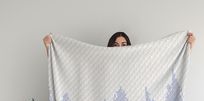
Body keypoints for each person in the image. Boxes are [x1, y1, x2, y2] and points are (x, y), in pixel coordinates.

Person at [43, 31, 196, 55]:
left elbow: (161, 64)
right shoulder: (100, 58)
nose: (120, 48)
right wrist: (50, 48)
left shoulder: (135, 60)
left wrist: (187, 47)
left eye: (124, 45)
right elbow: (73, 66)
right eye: (116, 45)